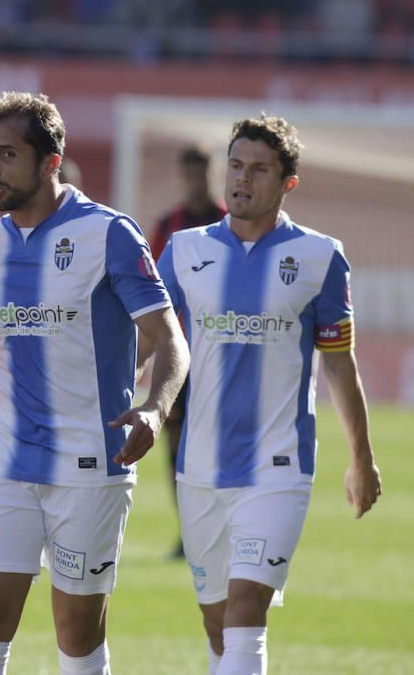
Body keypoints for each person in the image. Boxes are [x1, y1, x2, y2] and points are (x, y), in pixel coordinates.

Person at [0, 91, 190, 675]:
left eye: (7, 154)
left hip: (90, 459)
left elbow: (170, 339)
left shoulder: (109, 234)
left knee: (78, 631)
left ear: (50, 161)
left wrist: (155, 409)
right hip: (6, 455)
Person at [156, 115, 382, 675]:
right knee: (217, 623)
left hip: (278, 466)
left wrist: (362, 459)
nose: (242, 178)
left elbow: (339, 363)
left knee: (245, 612)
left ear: (288, 183)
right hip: (199, 466)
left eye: (259, 170)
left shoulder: (320, 257)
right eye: (236, 165)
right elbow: (149, 341)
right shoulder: (183, 250)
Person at [148, 145, 227, 559]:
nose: (197, 182)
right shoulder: (168, 227)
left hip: (220, 354)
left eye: (203, 174)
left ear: (213, 174)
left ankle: (220, 525)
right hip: (178, 355)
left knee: (217, 442)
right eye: (190, 174)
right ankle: (188, 529)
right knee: (177, 444)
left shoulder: (231, 223)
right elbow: (153, 291)